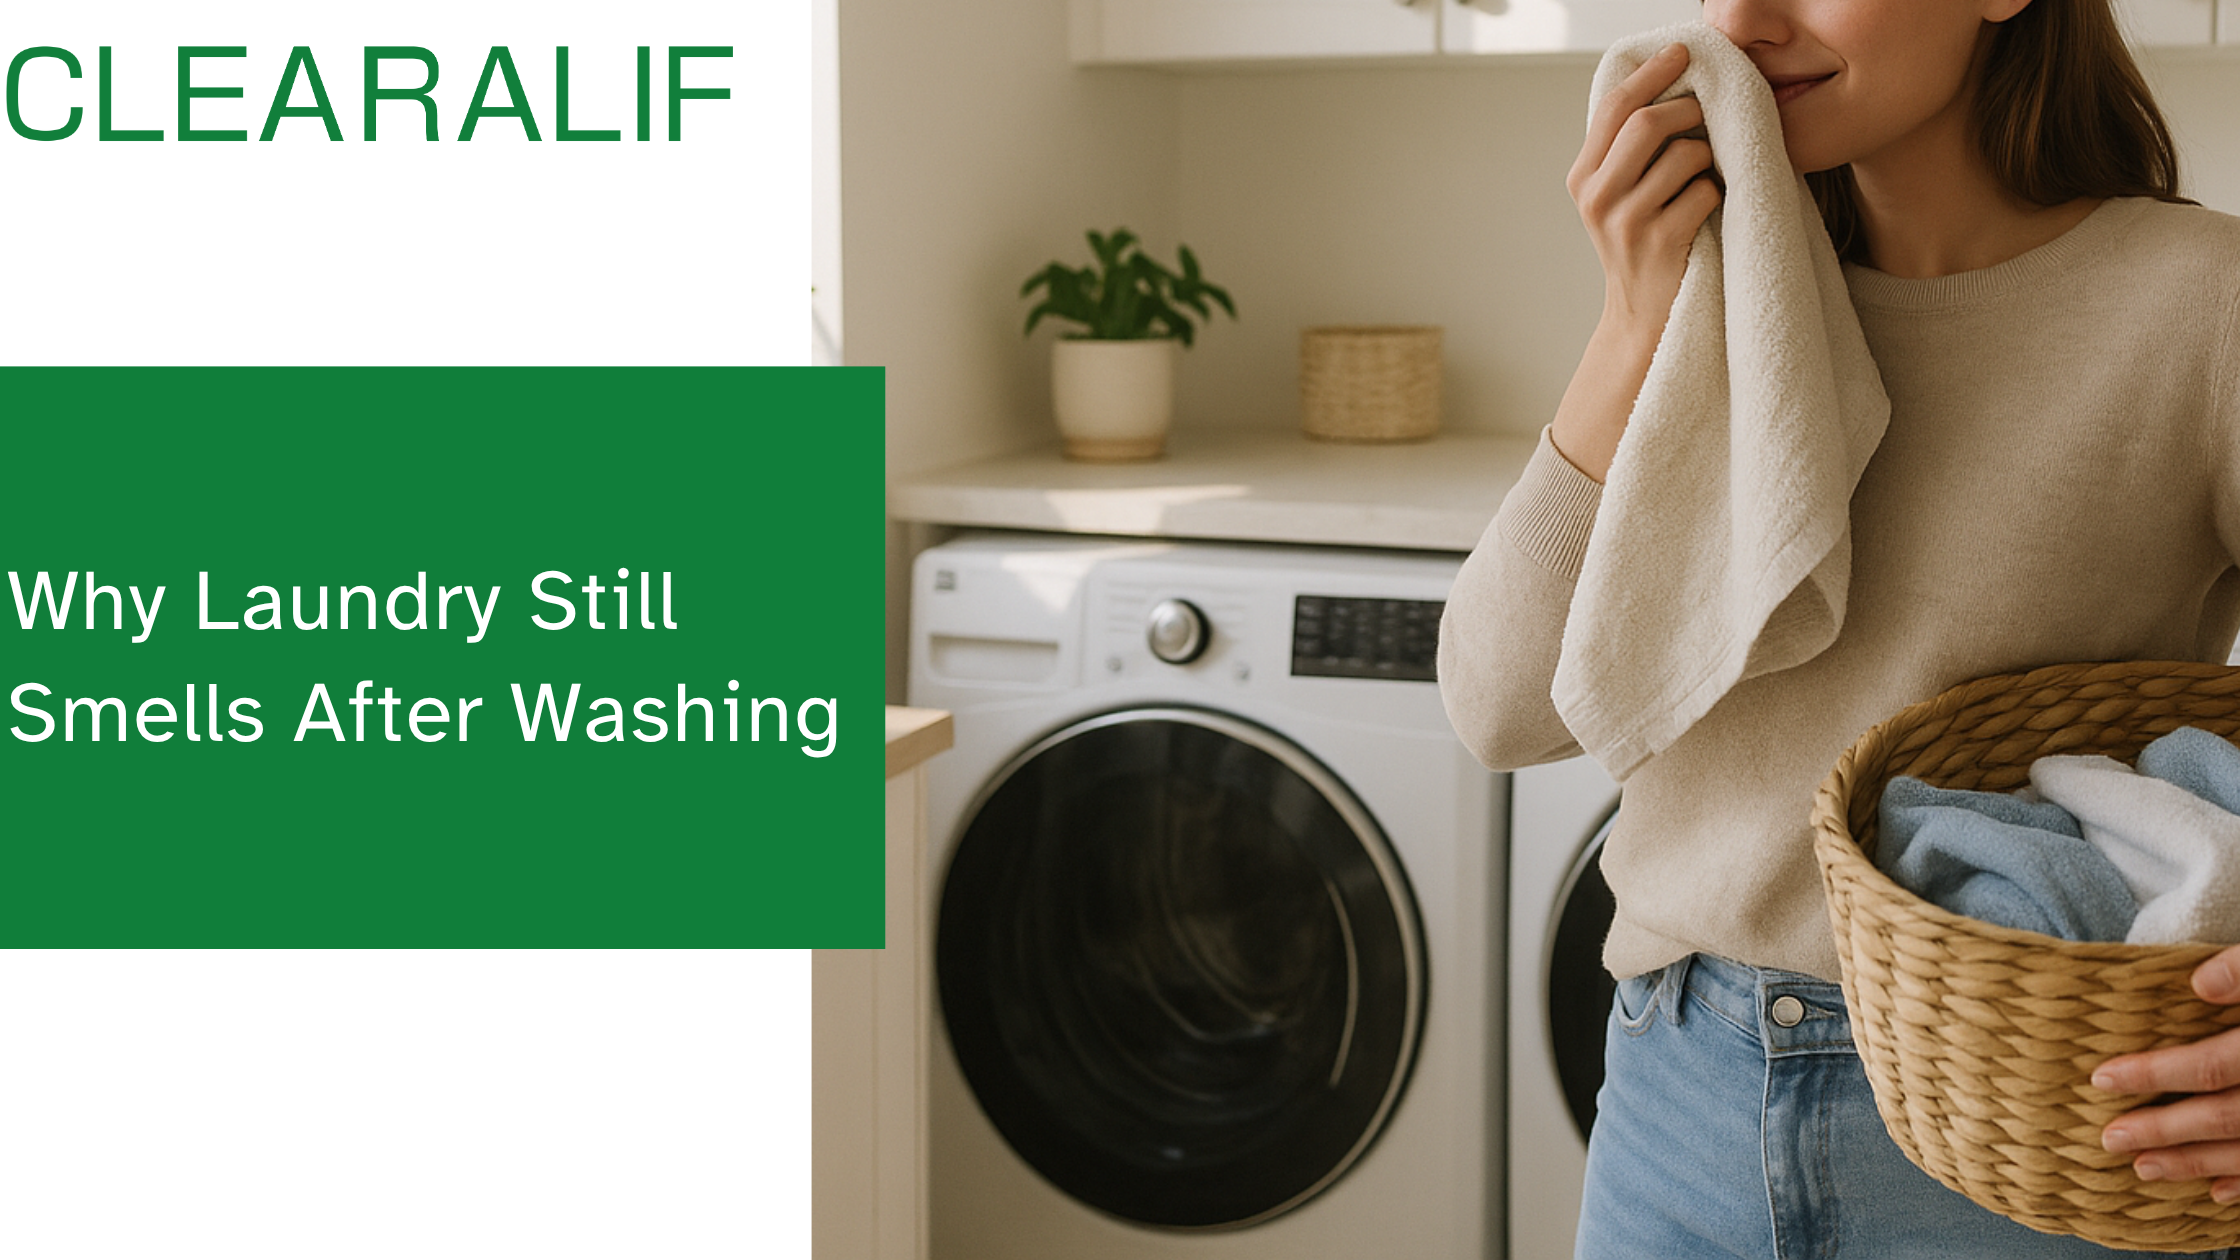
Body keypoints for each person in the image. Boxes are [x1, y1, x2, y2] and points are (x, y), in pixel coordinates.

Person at [1433, 0, 2240, 1251]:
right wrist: (1629, 324)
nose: (1744, 19)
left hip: (2034, 1132)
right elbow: (1496, 708)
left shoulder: (2200, 305)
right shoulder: (1724, 295)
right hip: (1675, 1104)